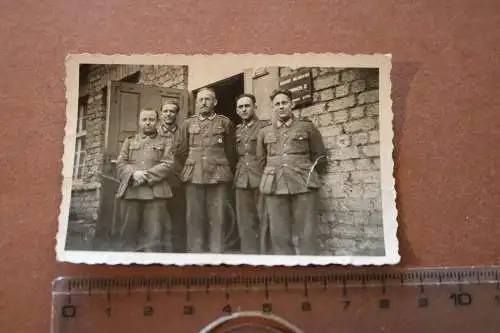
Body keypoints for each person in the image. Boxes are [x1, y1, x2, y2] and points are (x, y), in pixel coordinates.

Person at [256, 89, 327, 255]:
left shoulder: (306, 127)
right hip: (275, 186)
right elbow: (261, 160)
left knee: (307, 234)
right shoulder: (264, 132)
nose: (281, 107)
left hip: (304, 185)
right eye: (277, 104)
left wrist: (307, 175)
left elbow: (320, 156)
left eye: (284, 103)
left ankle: (309, 272)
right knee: (279, 234)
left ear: (292, 104)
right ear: (273, 107)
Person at [175, 87, 236, 253]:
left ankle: (217, 255)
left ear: (215, 102)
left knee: (218, 218)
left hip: (219, 176)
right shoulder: (187, 124)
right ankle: (196, 256)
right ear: (196, 103)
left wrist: (222, 166)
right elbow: (181, 152)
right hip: (194, 176)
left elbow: (231, 152)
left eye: (208, 99)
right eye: (201, 100)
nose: (204, 102)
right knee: (194, 218)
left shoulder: (225, 123)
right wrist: (191, 165)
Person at [115, 108, 175, 252]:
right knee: (127, 235)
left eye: (151, 120)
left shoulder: (166, 141)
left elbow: (168, 164)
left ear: (157, 121)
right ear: (139, 121)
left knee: (154, 237)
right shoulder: (129, 141)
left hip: (155, 194)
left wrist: (145, 176)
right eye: (144, 120)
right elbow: (120, 163)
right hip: (132, 192)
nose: (148, 123)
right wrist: (133, 174)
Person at [233, 93, 270, 254]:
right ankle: (250, 256)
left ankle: (265, 255)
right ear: (236, 110)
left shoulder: (265, 127)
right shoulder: (237, 130)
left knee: (264, 218)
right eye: (240, 107)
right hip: (241, 178)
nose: (244, 109)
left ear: (255, 107)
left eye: (247, 106)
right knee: (245, 221)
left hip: (261, 176)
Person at [158, 100, 186, 253]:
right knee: (158, 218)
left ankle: (177, 253)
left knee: (178, 218)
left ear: (177, 114)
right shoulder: (154, 132)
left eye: (172, 111)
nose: (168, 114)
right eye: (166, 111)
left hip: (177, 181)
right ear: (161, 113)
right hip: (158, 182)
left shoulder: (184, 132)